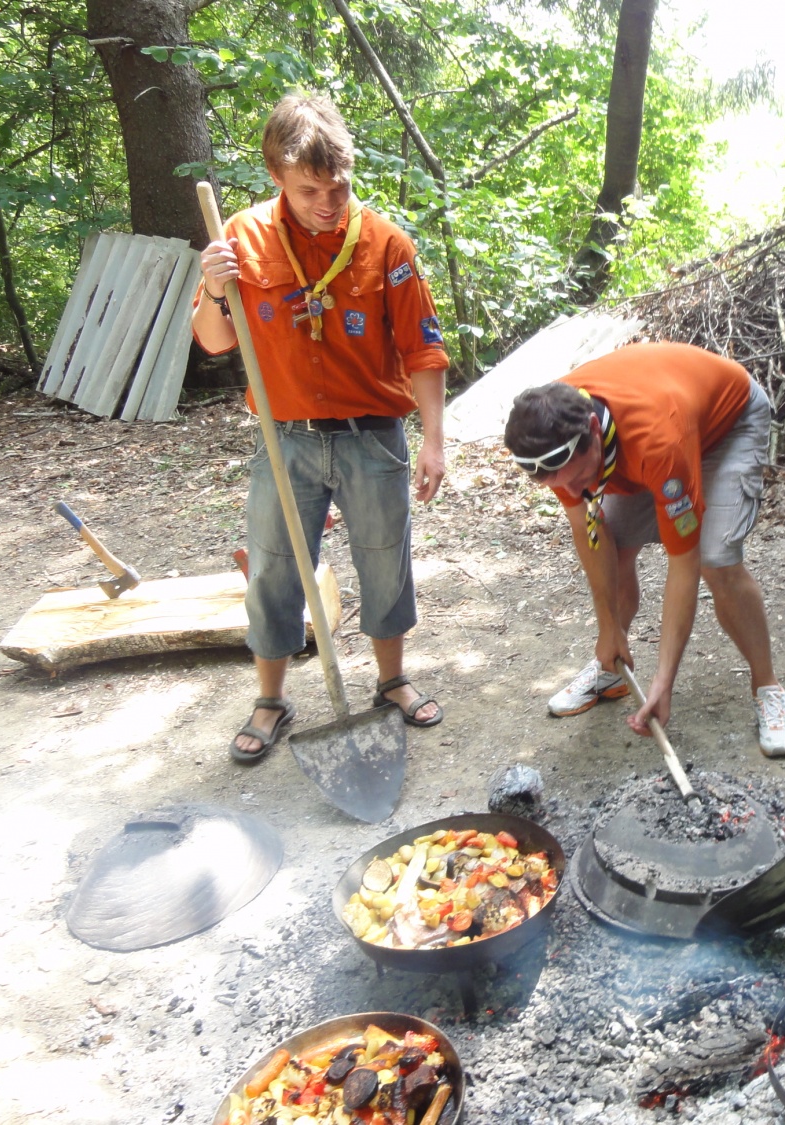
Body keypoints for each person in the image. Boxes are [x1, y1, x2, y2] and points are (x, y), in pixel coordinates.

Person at [193, 93, 448, 762]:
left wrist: (435, 441)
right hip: (287, 437)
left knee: (384, 559)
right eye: (310, 189)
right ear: (276, 175)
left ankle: (391, 681)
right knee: (275, 569)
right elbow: (213, 341)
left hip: (373, 435)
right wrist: (217, 288)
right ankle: (271, 700)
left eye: (338, 186)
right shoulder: (241, 239)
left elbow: (423, 350)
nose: (329, 202)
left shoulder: (387, 244)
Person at [504, 342, 785, 757]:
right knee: (617, 546)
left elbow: (684, 563)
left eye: (579, 479)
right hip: (646, 439)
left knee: (717, 561)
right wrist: (609, 627)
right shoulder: (551, 443)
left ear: (593, 430)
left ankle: (767, 684)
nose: (575, 493)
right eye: (559, 486)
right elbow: (591, 536)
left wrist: (664, 680)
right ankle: (612, 667)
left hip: (725, 423)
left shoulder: (658, 440)